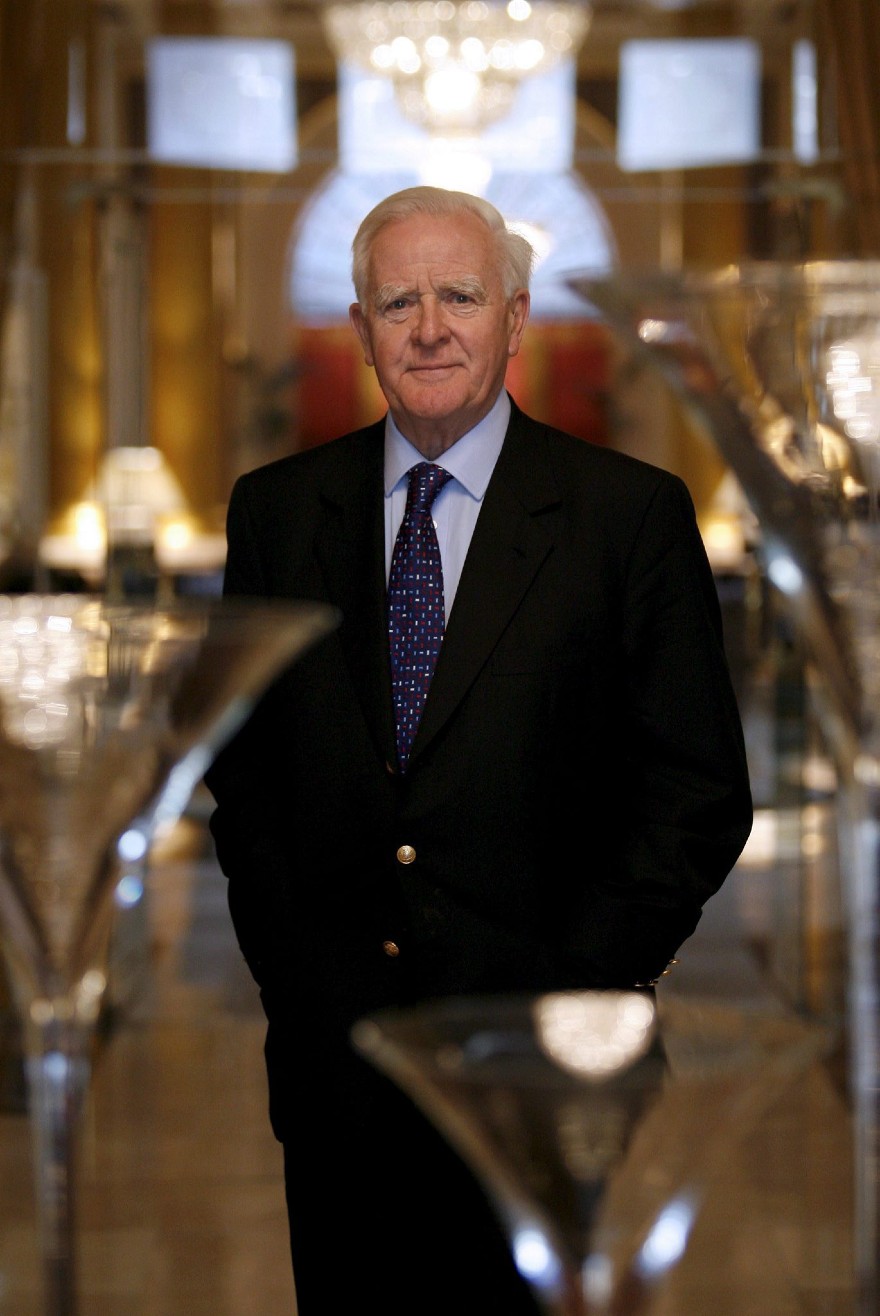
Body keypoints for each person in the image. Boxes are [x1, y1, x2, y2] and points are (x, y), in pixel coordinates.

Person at [204, 186, 753, 1315]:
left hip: (550, 1079)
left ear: (516, 315)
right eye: (396, 302)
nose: (428, 328)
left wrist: (573, 989)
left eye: (458, 295)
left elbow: (696, 791)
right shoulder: (276, 512)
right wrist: (297, 976)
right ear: (359, 329)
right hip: (338, 1072)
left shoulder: (629, 516)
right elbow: (245, 775)